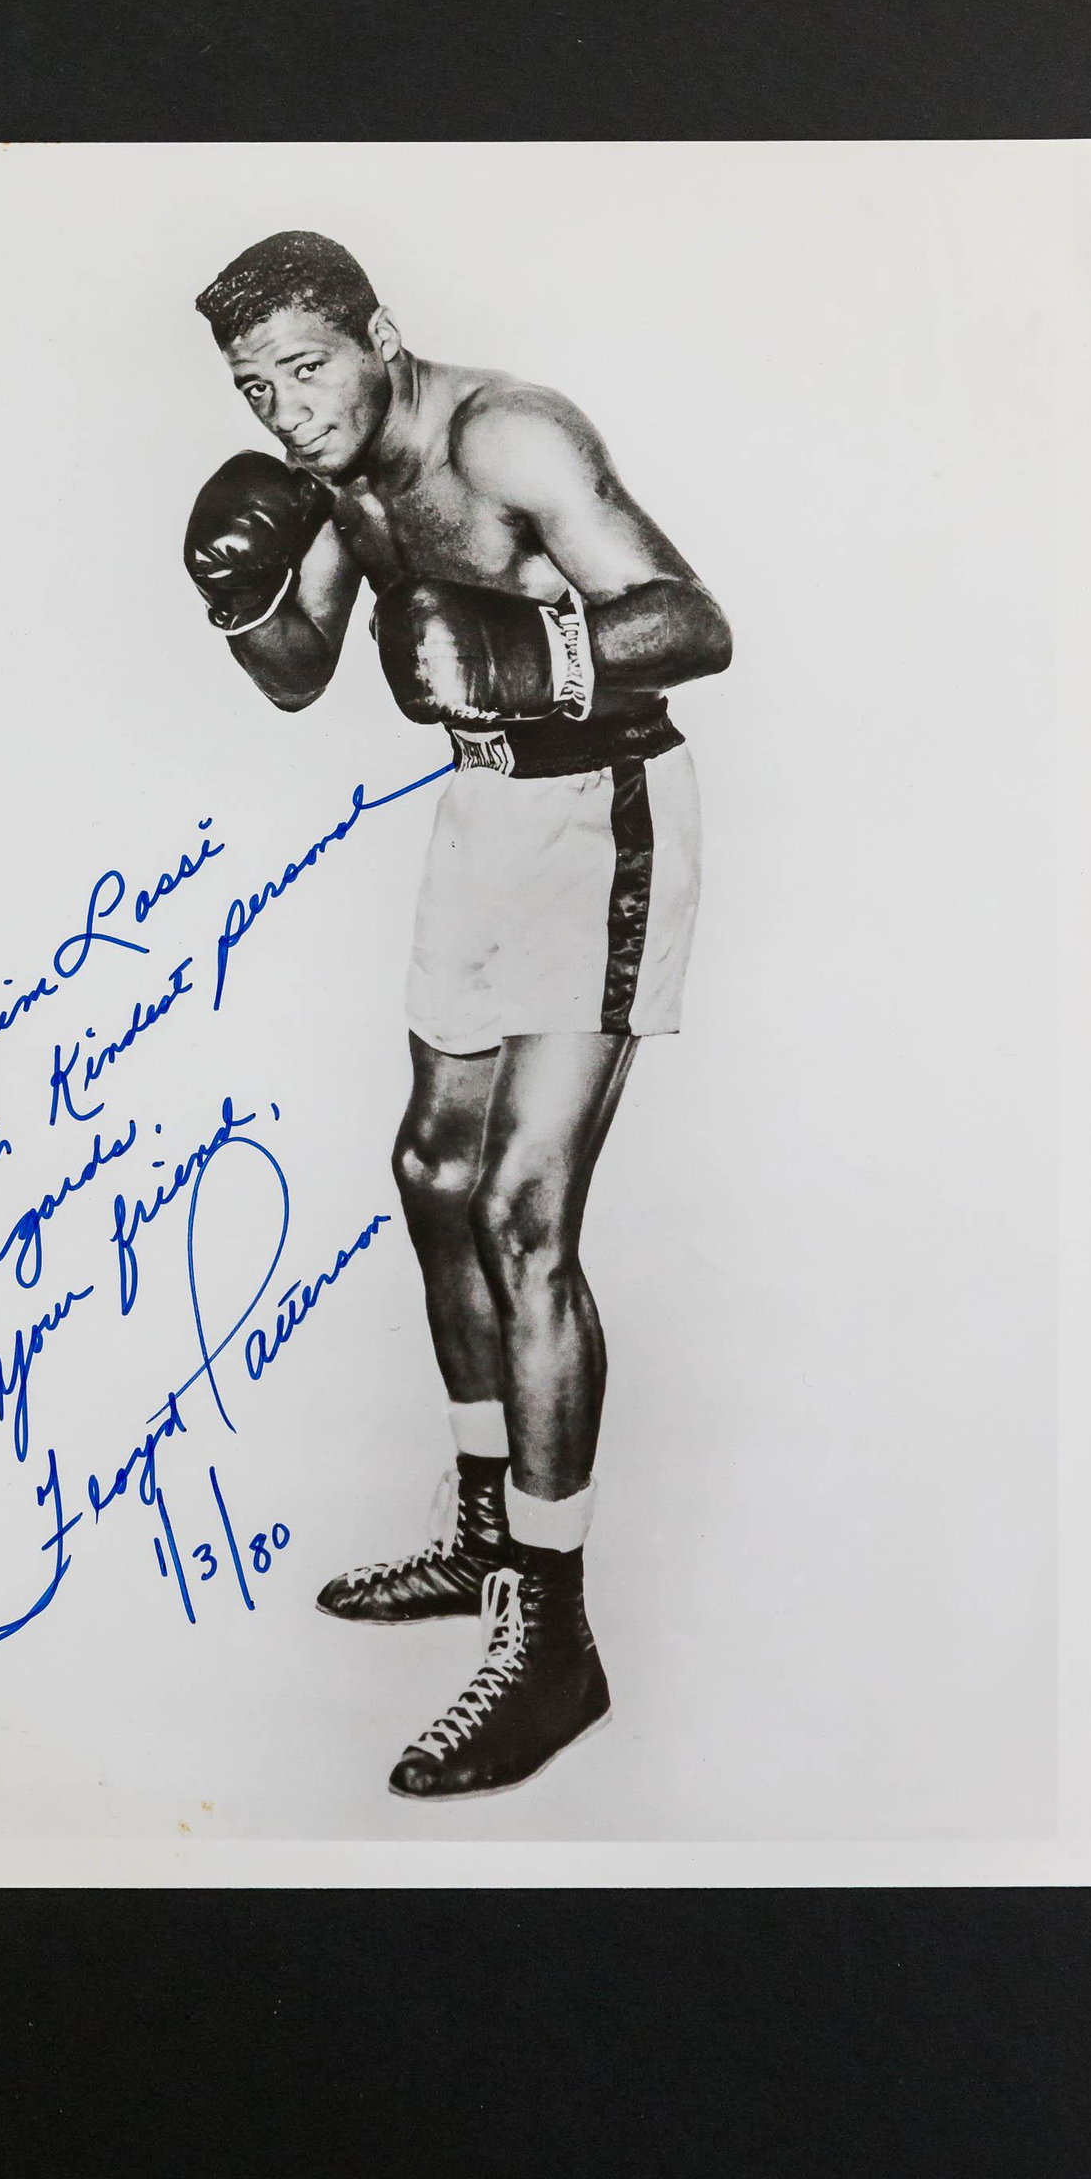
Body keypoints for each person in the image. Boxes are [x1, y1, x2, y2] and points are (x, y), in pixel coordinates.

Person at [184, 231, 732, 1799]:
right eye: (251, 386)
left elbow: (696, 623)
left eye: (305, 367)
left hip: (609, 814)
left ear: (379, 334)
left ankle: (554, 1637)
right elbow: (299, 673)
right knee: (429, 1176)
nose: (284, 410)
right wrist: (234, 596)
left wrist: (530, 648)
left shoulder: (510, 433)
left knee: (522, 1207)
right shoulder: (341, 476)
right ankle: (488, 1532)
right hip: (484, 823)